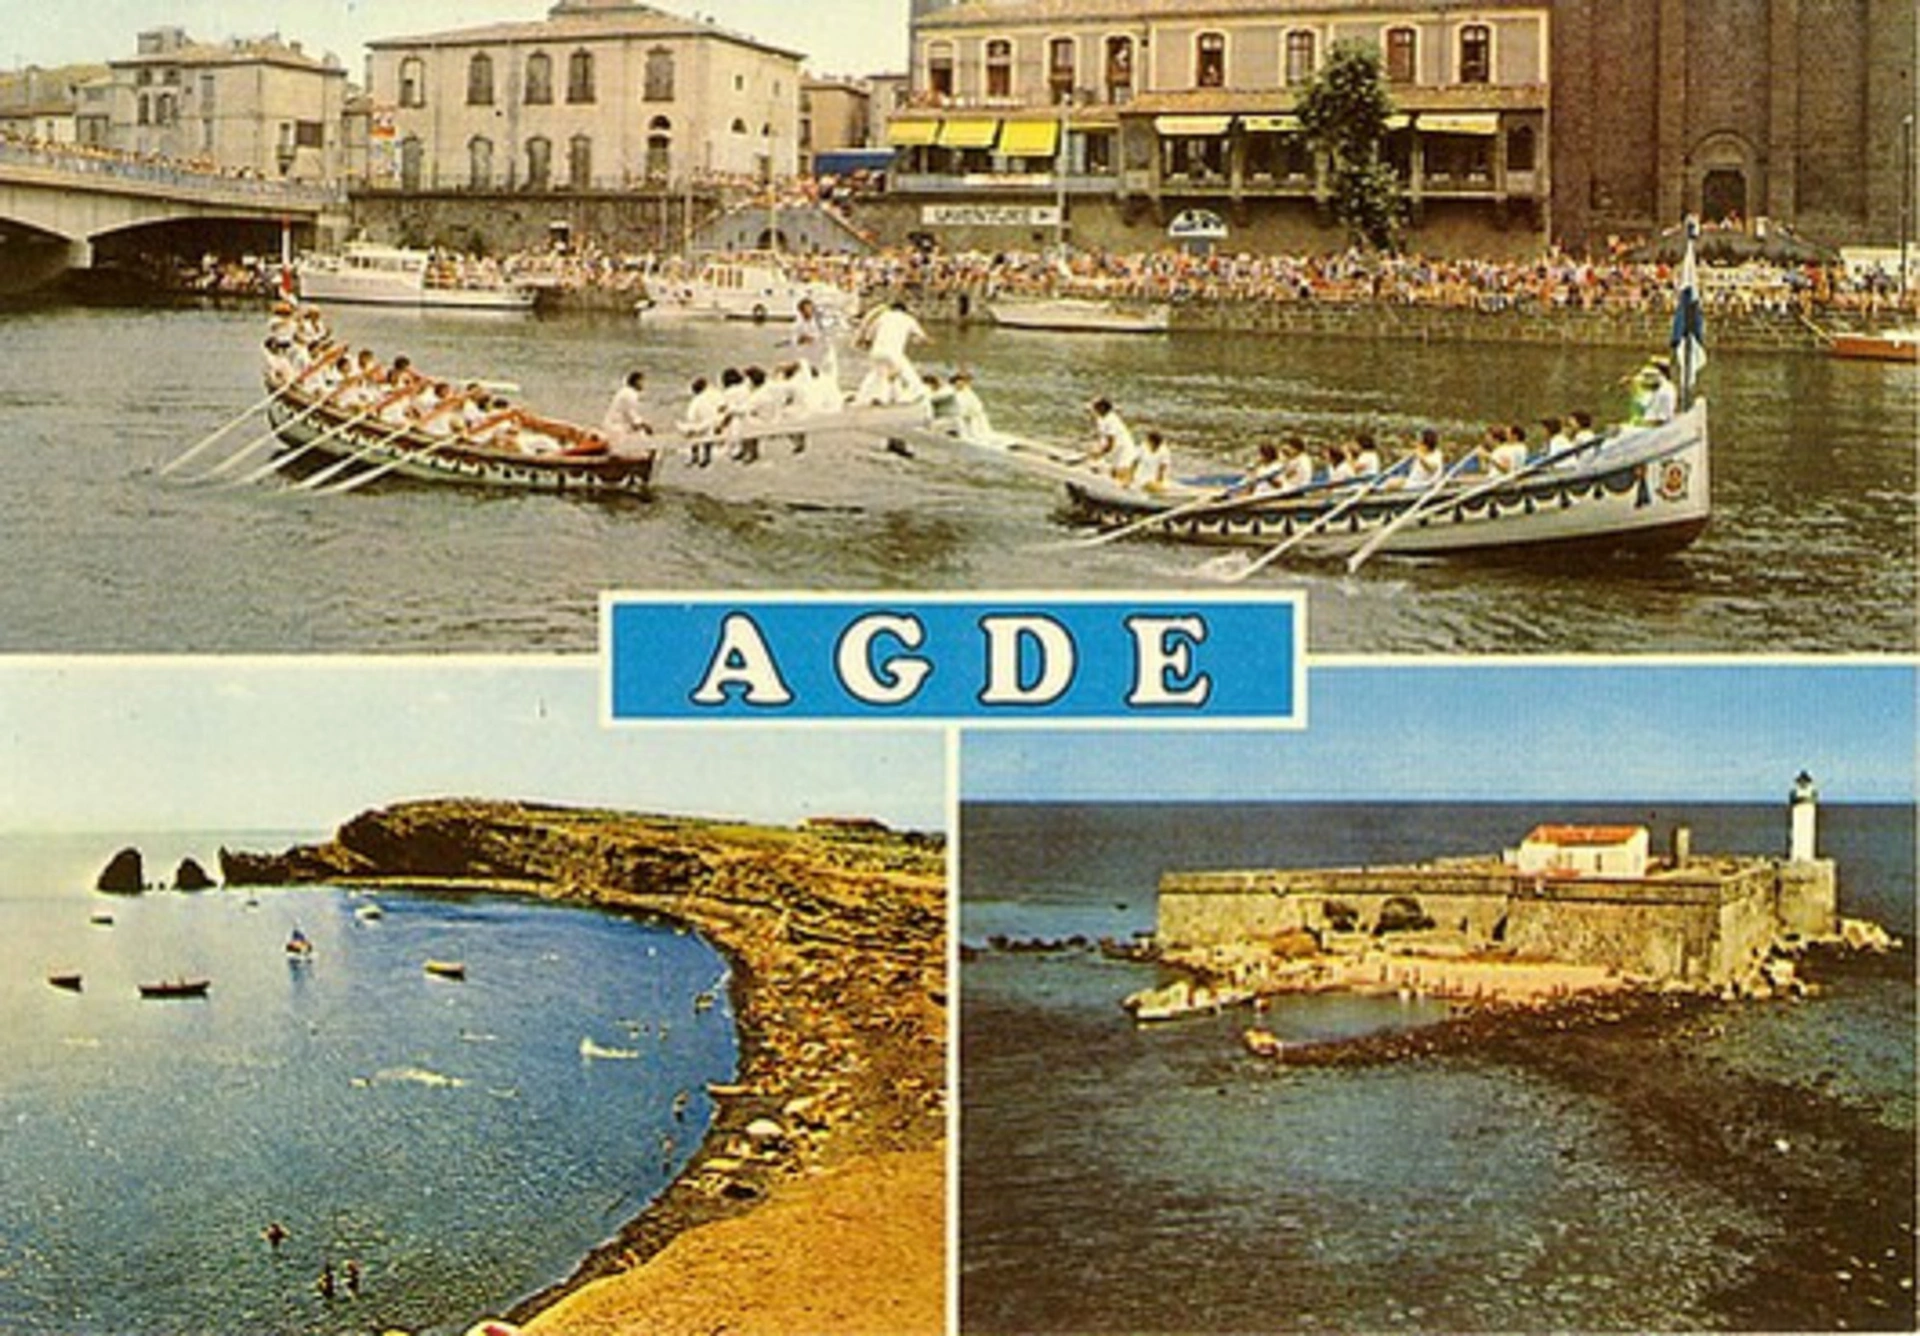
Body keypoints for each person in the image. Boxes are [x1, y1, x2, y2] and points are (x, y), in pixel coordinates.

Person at [601, 369, 653, 458]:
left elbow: (631, 416)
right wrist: (645, 426)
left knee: (638, 434)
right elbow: (631, 415)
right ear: (636, 382)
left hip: (616, 425)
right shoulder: (630, 394)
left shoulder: (625, 392)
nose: (643, 385)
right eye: (642, 382)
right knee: (639, 436)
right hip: (616, 427)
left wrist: (640, 424)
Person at [948, 370, 995, 444]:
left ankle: (983, 439)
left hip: (973, 417)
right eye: (958, 381)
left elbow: (977, 407)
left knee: (980, 430)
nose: (960, 383)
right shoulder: (953, 392)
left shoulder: (968, 393)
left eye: (964, 381)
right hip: (961, 419)